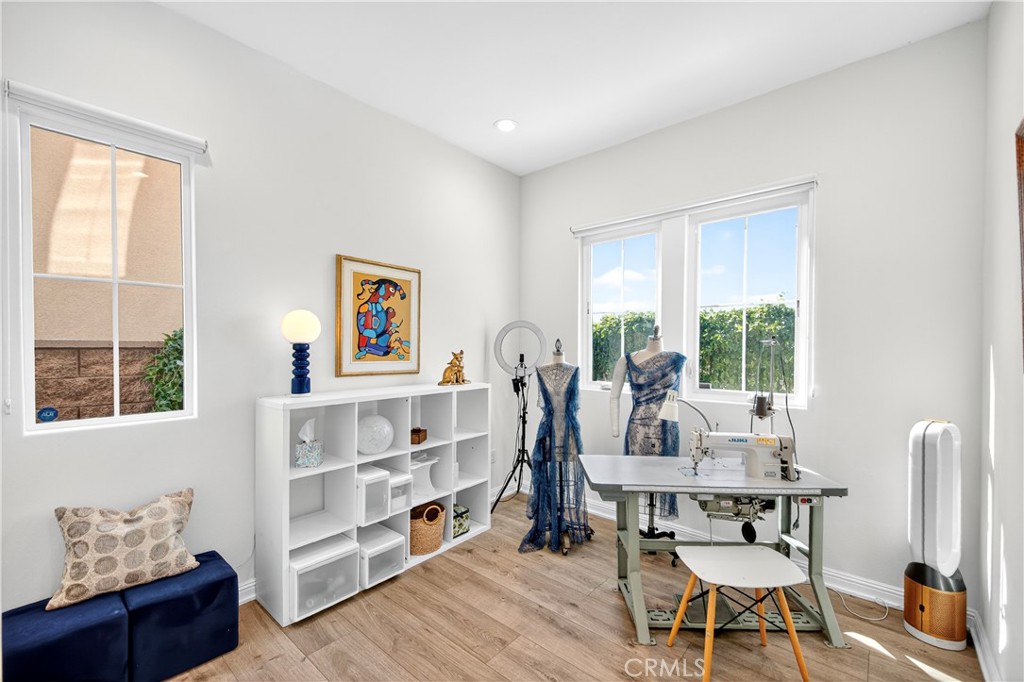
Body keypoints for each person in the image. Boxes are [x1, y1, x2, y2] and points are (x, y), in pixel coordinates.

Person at [520, 340, 592, 553]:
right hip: (548, 435)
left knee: (567, 479)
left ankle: (566, 524)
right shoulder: (541, 371)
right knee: (549, 480)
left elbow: (575, 406)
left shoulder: (574, 371)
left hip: (569, 435)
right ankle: (553, 523)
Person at [609, 325, 686, 518]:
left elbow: (677, 396)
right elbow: (614, 396)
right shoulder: (626, 360)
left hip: (666, 427)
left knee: (663, 477)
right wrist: (615, 427)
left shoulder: (677, 360)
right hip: (638, 427)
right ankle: (634, 528)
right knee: (636, 478)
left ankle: (653, 525)